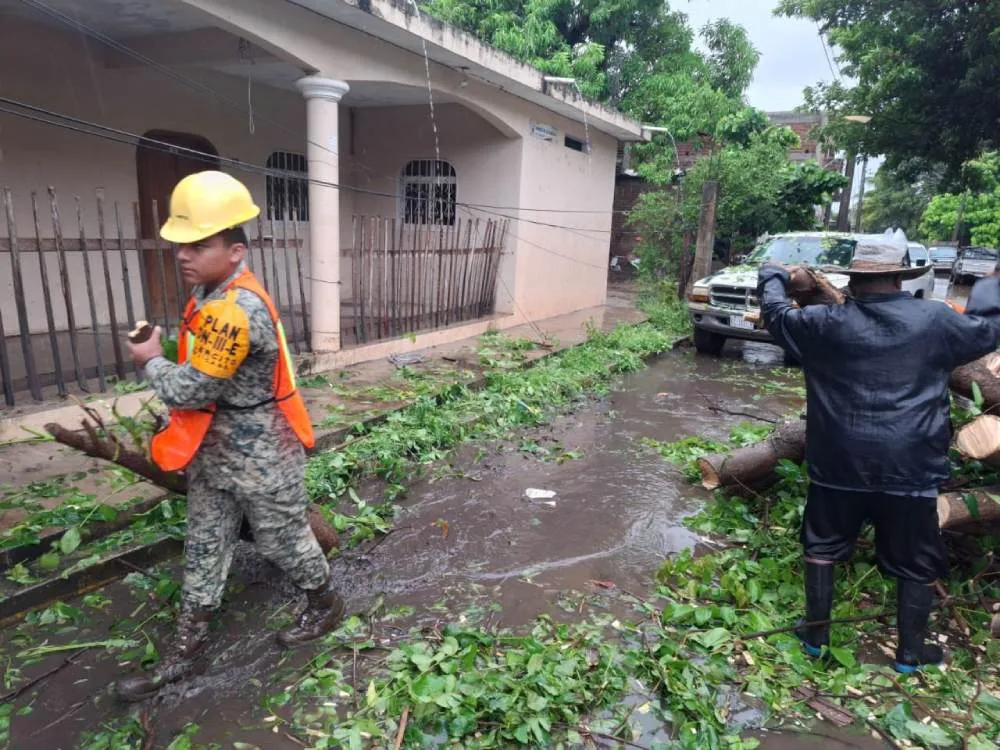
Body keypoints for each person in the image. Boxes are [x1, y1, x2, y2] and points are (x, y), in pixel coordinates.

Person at [117, 171, 343, 701]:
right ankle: (185, 654)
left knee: (283, 540)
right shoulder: (212, 291)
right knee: (203, 546)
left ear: (236, 249)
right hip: (217, 451)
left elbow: (191, 391)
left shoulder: (236, 310)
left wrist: (150, 361)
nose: (183, 254)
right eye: (181, 244)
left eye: (200, 244)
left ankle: (325, 604)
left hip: (263, 452)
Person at [757, 230, 1000, 673]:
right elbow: (988, 331)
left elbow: (777, 317)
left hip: (837, 463)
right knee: (915, 559)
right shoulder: (935, 320)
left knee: (823, 546)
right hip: (912, 465)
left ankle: (816, 638)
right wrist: (990, 285)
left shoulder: (825, 324)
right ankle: (910, 654)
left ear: (854, 280)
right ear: (899, 278)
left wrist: (770, 277)